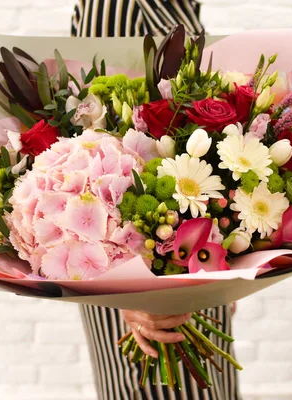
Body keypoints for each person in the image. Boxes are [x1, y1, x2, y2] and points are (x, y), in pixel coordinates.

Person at [71, 1, 242, 399]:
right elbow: (99, 155)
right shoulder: (115, 8)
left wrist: (224, 277)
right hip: (141, 280)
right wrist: (135, 297)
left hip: (190, 259)